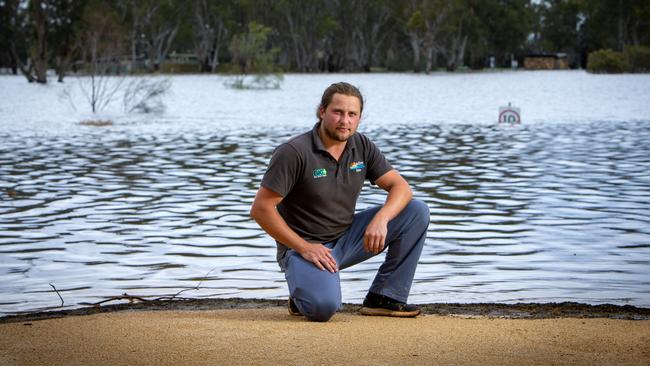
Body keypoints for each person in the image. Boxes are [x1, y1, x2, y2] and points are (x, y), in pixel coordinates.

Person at [250, 82, 429, 322]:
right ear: (322, 111)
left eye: (352, 114)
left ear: (359, 118)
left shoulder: (362, 146)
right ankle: (303, 292)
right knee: (323, 308)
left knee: (415, 211)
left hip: (347, 238)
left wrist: (382, 219)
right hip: (303, 249)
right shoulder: (294, 152)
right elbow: (261, 209)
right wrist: (304, 247)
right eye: (338, 112)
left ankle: (384, 297)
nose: (345, 120)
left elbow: (401, 187)